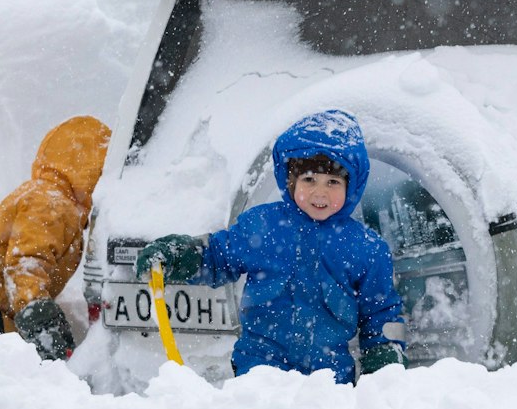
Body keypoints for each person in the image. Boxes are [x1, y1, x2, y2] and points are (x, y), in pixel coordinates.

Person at [136, 109, 406, 382]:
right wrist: (182, 255)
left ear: (352, 187)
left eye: (333, 182)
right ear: (291, 181)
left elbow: (380, 311)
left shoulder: (367, 248)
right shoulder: (263, 225)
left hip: (327, 378)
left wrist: (385, 355)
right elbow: (218, 255)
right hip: (260, 369)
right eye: (309, 179)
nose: (320, 192)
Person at [0, 115, 112, 361]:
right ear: (94, 170)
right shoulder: (50, 202)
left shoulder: (59, 204)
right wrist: (40, 319)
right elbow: (26, 263)